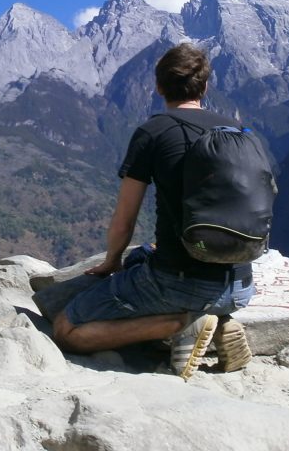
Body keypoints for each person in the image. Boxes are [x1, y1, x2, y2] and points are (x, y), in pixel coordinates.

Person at [52, 43, 255, 379]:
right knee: (141, 257)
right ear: (205, 87)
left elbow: (124, 220)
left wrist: (111, 261)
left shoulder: (154, 132)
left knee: (66, 330)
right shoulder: (241, 133)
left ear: (159, 87)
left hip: (179, 284)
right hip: (240, 284)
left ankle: (182, 324)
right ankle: (221, 321)